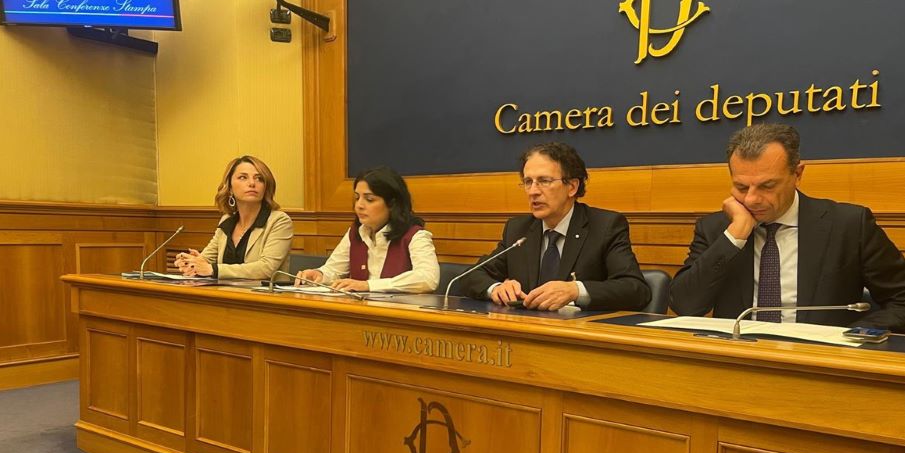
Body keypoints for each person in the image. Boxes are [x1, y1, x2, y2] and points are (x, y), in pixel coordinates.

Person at [669, 123, 905, 333]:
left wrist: (852, 335)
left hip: (821, 364)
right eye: (741, 187)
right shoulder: (717, 228)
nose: (751, 199)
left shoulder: (848, 225)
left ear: (797, 174)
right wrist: (735, 236)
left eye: (767, 186)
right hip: (737, 362)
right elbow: (685, 306)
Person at [462, 142, 651, 311]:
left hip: (580, 333)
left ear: (572, 187)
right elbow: (469, 276)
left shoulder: (605, 226)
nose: (533, 191)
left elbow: (635, 290)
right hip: (524, 330)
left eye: (544, 181)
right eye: (528, 182)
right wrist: (496, 289)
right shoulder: (518, 229)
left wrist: (575, 290)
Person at [295, 166, 439, 293]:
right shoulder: (356, 232)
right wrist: (319, 274)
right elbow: (334, 269)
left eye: (369, 199)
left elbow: (428, 278)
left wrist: (369, 285)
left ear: (392, 203)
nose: (359, 205)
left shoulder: (415, 235)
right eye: (357, 198)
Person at [175, 155, 293, 280]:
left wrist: (213, 269)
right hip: (224, 291)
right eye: (243, 177)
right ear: (230, 187)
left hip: (264, 292)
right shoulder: (227, 220)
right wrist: (192, 262)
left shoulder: (279, 221)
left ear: (266, 187)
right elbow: (207, 259)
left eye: (259, 178)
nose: (252, 183)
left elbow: (266, 268)